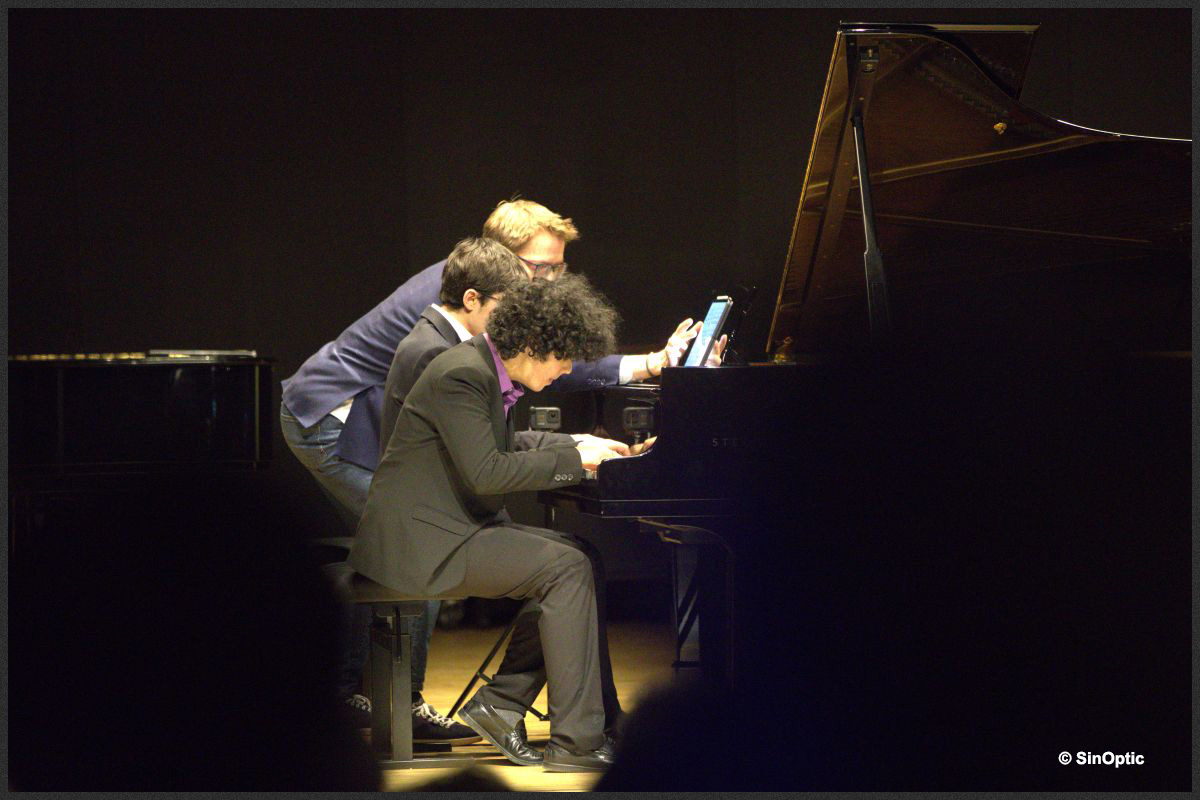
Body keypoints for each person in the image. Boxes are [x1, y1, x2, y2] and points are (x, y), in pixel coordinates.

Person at [279, 199, 708, 738]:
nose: (549, 280)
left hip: (389, 426)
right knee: (413, 548)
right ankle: (382, 702)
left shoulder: (481, 314)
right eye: (540, 268)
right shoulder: (440, 333)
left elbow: (536, 371)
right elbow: (434, 464)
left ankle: (444, 702)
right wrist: (559, 465)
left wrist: (579, 434)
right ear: (492, 270)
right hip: (330, 415)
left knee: (530, 553)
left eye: (558, 268)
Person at [349, 274, 626, 772]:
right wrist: (577, 462)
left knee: (580, 556)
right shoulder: (461, 374)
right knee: (565, 568)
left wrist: (578, 444)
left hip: (445, 530)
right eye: (563, 356)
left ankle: (501, 705)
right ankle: (575, 744)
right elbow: (487, 472)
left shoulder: (480, 369)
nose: (566, 370)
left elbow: (499, 448)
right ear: (532, 344)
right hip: (422, 545)